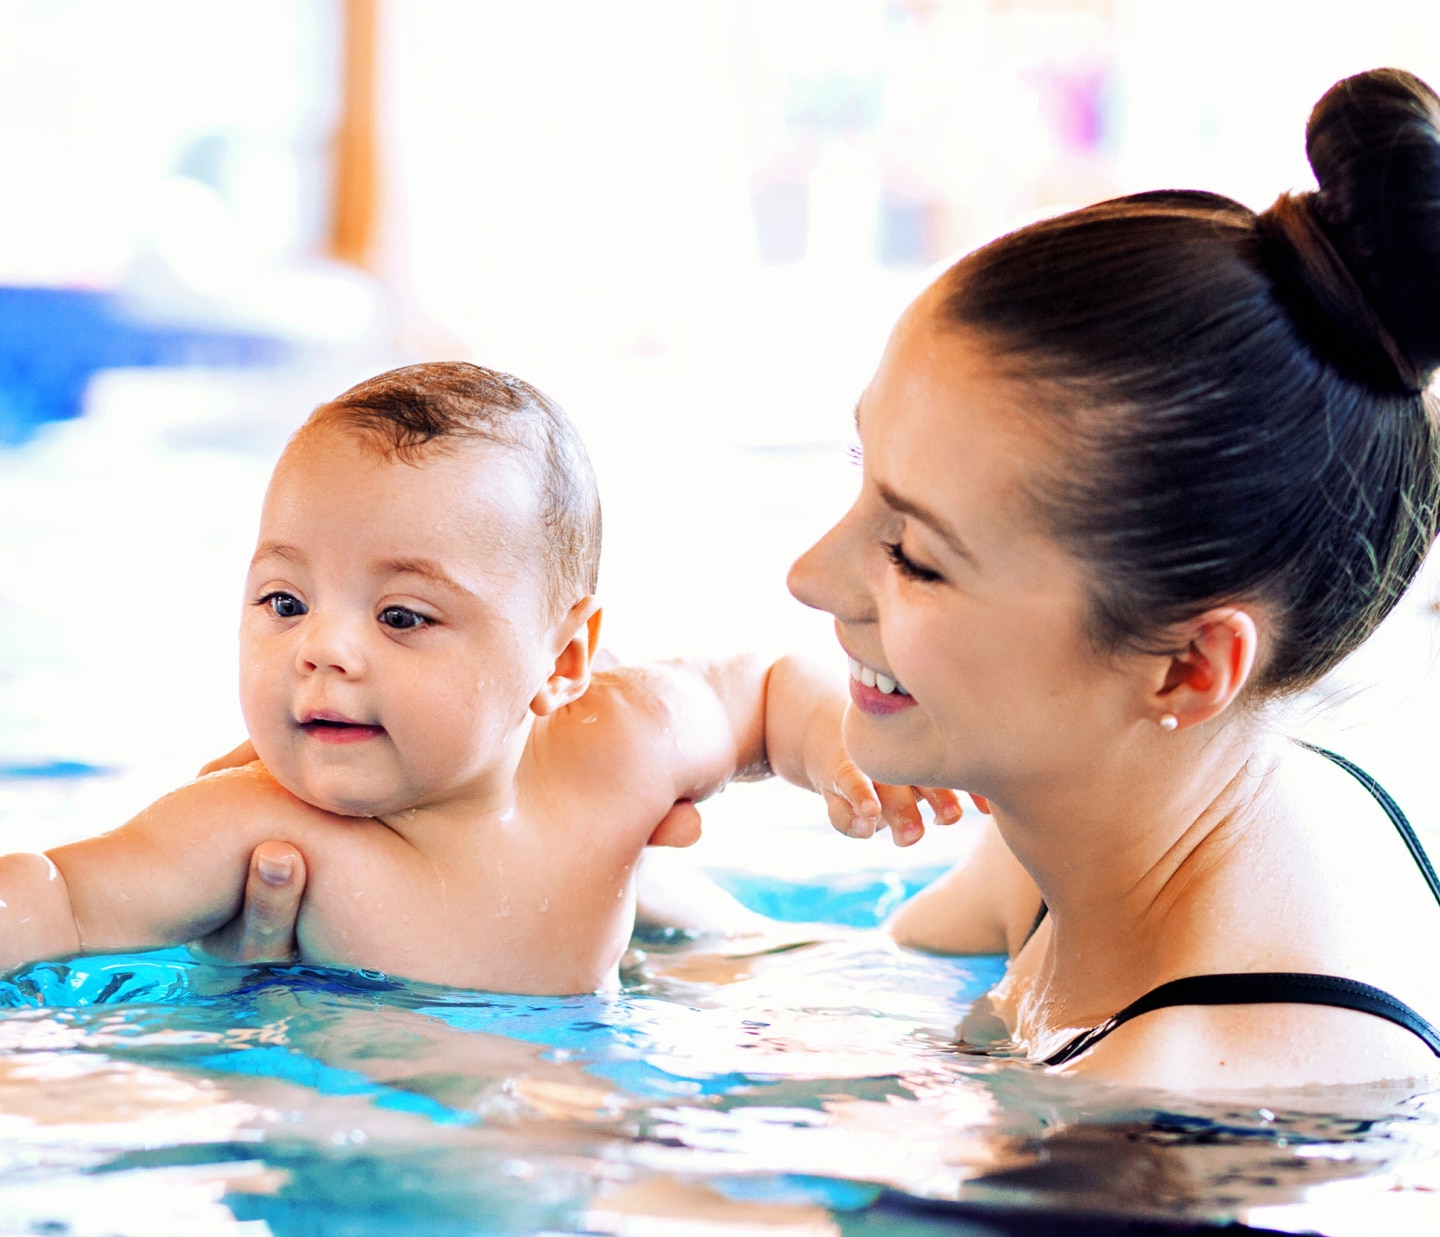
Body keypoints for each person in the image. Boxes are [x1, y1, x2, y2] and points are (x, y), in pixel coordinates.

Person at [214, 69, 1440, 1091]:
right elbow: (850, 982)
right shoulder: (1125, 819)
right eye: (861, 481)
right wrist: (532, 896)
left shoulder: (1189, 1106)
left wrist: (403, 1051)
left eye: (913, 551)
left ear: (1188, 665)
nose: (811, 577)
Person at [0, 363, 956, 992]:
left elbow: (763, 687)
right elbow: (57, 895)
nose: (322, 650)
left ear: (565, 661)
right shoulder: (258, 828)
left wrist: (836, 748)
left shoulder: (616, 747)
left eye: (402, 617)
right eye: (285, 602)